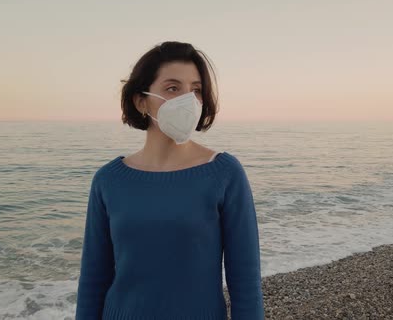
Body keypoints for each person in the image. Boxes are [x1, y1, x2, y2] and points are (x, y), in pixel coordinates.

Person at [75, 41, 265, 319]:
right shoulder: (108, 180)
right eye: (173, 88)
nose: (188, 100)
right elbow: (93, 280)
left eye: (196, 90)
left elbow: (245, 282)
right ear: (141, 101)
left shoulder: (224, 173)